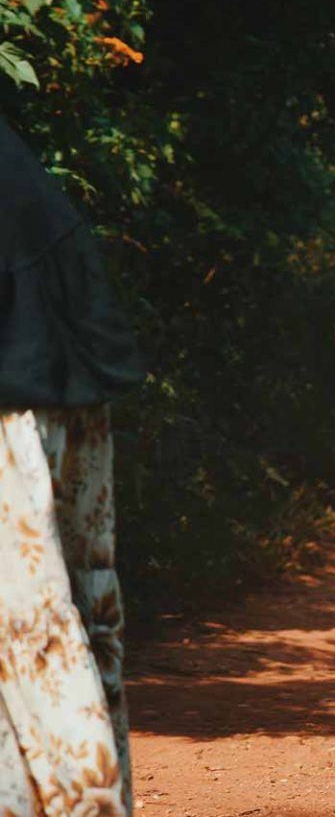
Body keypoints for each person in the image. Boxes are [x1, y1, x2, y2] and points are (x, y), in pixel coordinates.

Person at [1, 115, 144, 814]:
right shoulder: (30, 186)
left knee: (43, 644)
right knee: (69, 632)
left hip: (19, 427)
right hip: (48, 404)